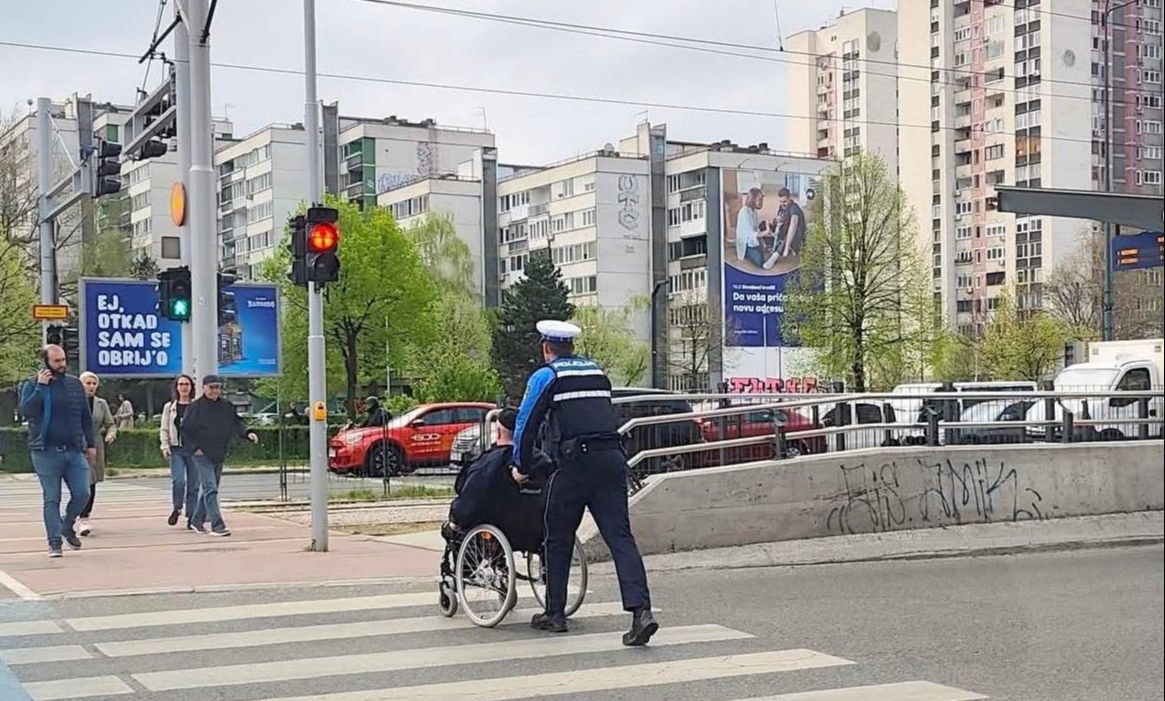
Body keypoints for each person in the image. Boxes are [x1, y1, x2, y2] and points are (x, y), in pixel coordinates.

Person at [511, 320, 658, 646]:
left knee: (558, 536)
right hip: (612, 460)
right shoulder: (597, 372)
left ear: (546, 348)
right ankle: (641, 612)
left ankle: (555, 613)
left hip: (574, 464)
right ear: (572, 347)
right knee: (620, 537)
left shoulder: (546, 376)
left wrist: (520, 465)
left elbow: (525, 423)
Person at [18, 345, 96, 557]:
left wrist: (90, 444)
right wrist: (40, 387)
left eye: (63, 360)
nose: (62, 364)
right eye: (56, 361)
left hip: (74, 449)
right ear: (45, 362)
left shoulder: (74, 384)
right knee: (52, 498)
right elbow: (27, 411)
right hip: (45, 451)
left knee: (83, 493)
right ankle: (54, 542)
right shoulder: (32, 384)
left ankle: (67, 525)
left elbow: (85, 417)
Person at [180, 375, 259, 536]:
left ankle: (196, 520)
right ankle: (217, 525)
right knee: (211, 489)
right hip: (201, 454)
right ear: (203, 388)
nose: (214, 391)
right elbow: (185, 430)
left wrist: (247, 433)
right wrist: (195, 449)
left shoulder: (226, 406)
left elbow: (237, 423)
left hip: (219, 452)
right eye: (211, 387)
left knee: (210, 489)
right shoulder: (195, 408)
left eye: (217, 387)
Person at [77, 371, 117, 537]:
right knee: (79, 481)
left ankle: (84, 516)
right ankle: (73, 513)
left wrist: (111, 434)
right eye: (88, 383)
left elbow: (110, 423)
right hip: (76, 444)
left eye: (94, 384)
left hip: (95, 444)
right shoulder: (73, 401)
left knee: (91, 481)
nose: (91, 386)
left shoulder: (101, 403)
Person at [159, 374, 200, 529]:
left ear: (191, 387)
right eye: (181, 384)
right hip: (176, 449)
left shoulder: (196, 406)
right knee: (179, 481)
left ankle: (191, 516)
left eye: (187, 384)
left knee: (193, 485)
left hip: (193, 450)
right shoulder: (170, 407)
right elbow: (164, 428)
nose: (184, 387)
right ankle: (177, 508)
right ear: (176, 387)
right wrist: (165, 446)